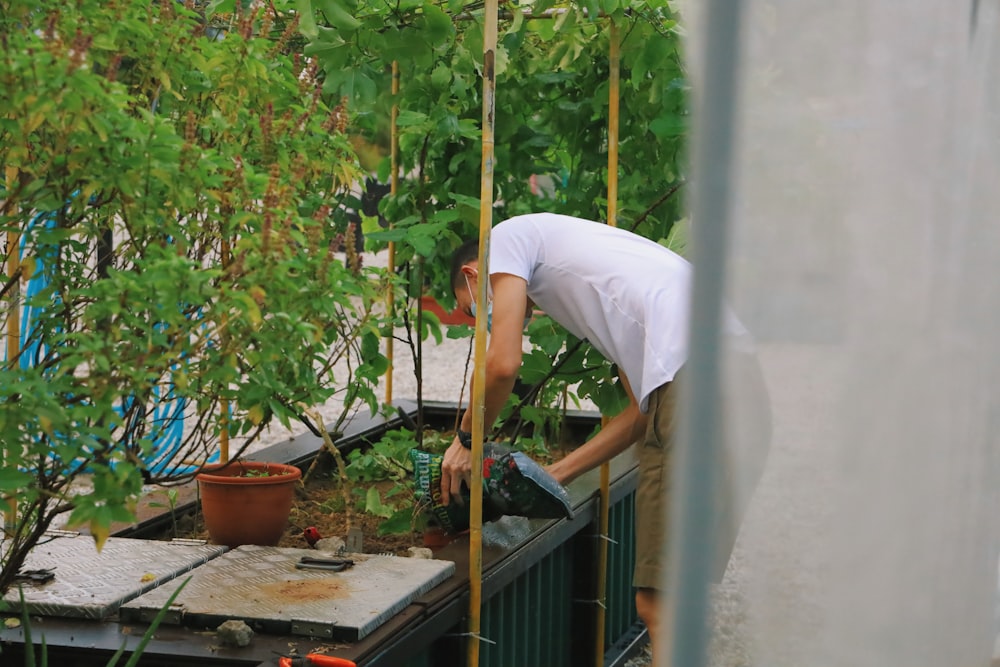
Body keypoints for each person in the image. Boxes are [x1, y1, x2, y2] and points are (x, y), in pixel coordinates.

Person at [439, 212, 771, 664]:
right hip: (741, 387)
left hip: (695, 393)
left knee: (660, 604)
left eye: (471, 308)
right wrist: (553, 475)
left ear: (472, 274)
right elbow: (639, 415)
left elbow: (502, 364)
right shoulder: (611, 277)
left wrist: (464, 441)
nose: (479, 319)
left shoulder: (508, 238)